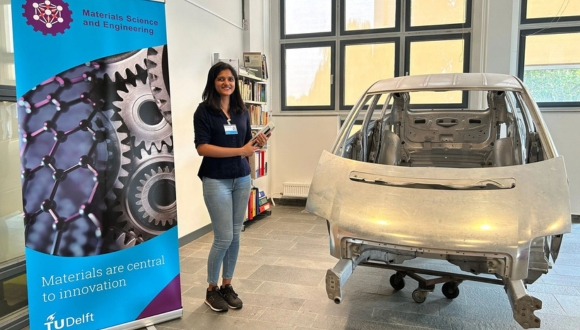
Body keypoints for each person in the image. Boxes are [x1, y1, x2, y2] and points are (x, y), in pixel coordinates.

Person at [193, 62, 269, 312]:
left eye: (230, 79)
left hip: (241, 178)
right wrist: (241, 150)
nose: (226, 83)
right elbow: (202, 148)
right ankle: (211, 289)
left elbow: (245, 142)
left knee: (236, 234)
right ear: (212, 82)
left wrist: (255, 144)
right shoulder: (203, 112)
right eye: (221, 79)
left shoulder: (241, 111)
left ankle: (227, 285)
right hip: (216, 180)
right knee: (223, 236)